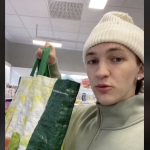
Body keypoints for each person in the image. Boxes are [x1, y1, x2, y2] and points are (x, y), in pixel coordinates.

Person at [36, 11, 144, 150]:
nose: (100, 72)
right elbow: (55, 106)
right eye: (92, 61)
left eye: (117, 59)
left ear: (141, 69)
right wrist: (50, 66)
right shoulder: (80, 118)